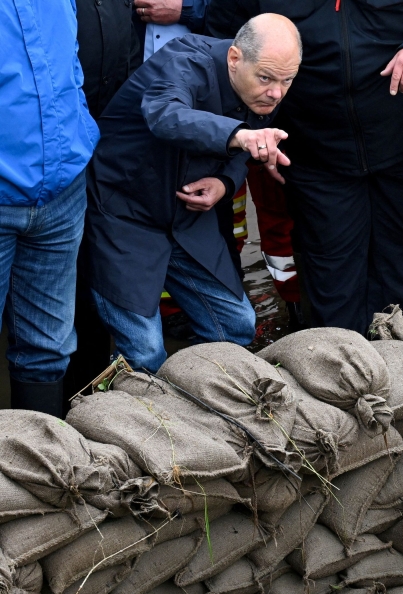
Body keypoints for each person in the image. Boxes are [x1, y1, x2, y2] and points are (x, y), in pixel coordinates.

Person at [207, 0, 403, 335]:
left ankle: (396, 361)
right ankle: (340, 370)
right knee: (330, 277)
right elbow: (226, 42)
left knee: (398, 272)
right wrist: (259, 129)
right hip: (314, 151)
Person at [85, 14, 301, 372]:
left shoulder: (265, 85)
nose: (276, 93)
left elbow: (246, 144)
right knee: (146, 352)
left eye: (286, 80)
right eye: (266, 78)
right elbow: (165, 114)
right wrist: (240, 136)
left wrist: (225, 182)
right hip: (123, 213)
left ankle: (202, 402)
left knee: (237, 325)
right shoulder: (184, 60)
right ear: (234, 59)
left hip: (186, 215)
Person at [1, 0, 100, 416]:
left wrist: (76, 130)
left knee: (49, 348)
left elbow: (66, 56)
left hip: (61, 190)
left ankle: (40, 469)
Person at [67, 0, 145, 405]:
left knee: (96, 269)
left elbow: (129, 54)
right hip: (53, 152)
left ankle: (91, 396)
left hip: (106, 148)